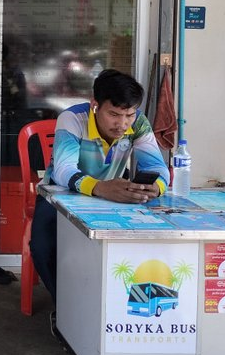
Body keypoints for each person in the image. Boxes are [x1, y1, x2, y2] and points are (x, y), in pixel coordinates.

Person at [29, 69, 168, 303]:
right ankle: (64, 307)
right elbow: (63, 170)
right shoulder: (72, 119)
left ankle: (110, 306)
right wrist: (101, 188)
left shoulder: (139, 123)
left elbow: (159, 167)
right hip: (59, 195)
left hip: (111, 198)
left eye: (129, 115)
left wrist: (157, 187)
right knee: (42, 247)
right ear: (95, 105)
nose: (122, 124)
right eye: (114, 114)